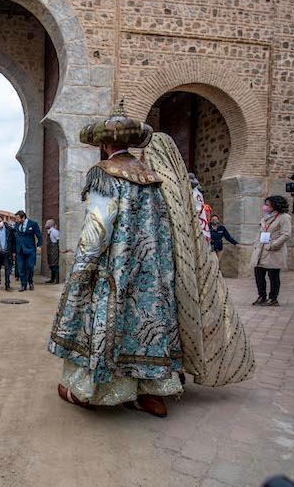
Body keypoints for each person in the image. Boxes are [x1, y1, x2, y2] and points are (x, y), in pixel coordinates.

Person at [49, 103, 254, 417]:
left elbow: (98, 229)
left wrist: (83, 266)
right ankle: (152, 394)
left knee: (109, 325)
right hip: (152, 275)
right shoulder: (153, 179)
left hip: (116, 273)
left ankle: (97, 392)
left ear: (104, 144)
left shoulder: (104, 175)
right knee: (149, 328)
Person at [250, 196, 292, 307]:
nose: (265, 207)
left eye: (267, 205)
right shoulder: (265, 218)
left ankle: (273, 298)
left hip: (273, 251)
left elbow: (286, 235)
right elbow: (260, 232)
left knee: (273, 276)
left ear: (275, 205)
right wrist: (256, 244)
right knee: (258, 274)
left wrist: (273, 245)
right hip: (261, 250)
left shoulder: (284, 217)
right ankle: (262, 296)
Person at [13, 210, 42, 292]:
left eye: (17, 218)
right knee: (21, 269)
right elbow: (15, 238)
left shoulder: (33, 224)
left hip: (30, 249)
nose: (16, 220)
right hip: (20, 250)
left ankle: (30, 281)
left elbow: (39, 235)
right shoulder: (16, 225)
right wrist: (14, 251)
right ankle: (23, 285)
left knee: (30, 267)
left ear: (23, 217)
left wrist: (39, 246)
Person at [44, 219, 60, 284]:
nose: (45, 225)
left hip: (54, 249)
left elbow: (58, 240)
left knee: (54, 265)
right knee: (51, 265)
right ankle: (52, 279)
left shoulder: (54, 231)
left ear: (50, 224)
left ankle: (56, 280)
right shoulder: (49, 231)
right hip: (50, 250)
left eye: (47, 223)